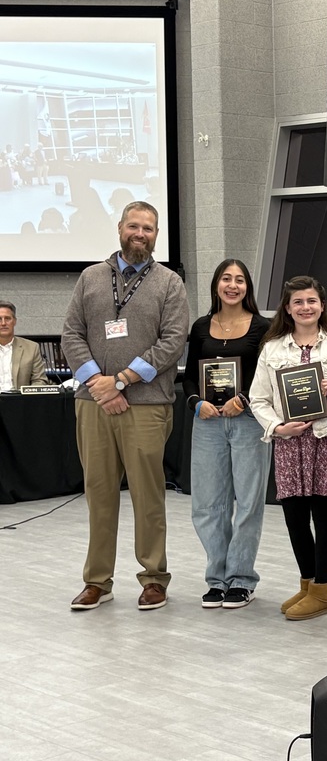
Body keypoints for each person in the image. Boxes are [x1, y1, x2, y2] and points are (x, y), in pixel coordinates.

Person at [62, 201, 188, 611]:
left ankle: (154, 578)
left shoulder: (169, 283)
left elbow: (172, 342)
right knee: (98, 493)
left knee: (147, 495)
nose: (141, 233)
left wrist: (121, 381)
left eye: (148, 228)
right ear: (119, 228)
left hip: (146, 405)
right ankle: (97, 580)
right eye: (134, 226)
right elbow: (71, 334)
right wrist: (98, 383)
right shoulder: (91, 277)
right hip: (93, 402)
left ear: (156, 235)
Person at [250, 276, 327, 620]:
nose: (306, 307)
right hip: (289, 441)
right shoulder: (273, 349)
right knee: (295, 517)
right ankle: (308, 583)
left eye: (312, 301)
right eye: (298, 302)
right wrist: (278, 427)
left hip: (326, 439)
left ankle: (323, 591)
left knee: (323, 515)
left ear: (322, 306)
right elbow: (258, 398)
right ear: (287, 308)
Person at [182, 259, 272, 609]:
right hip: (207, 422)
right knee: (207, 504)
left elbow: (267, 376)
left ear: (247, 287)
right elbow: (189, 375)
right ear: (216, 285)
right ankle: (216, 579)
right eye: (225, 279)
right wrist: (194, 402)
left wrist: (245, 399)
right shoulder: (202, 326)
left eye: (239, 280)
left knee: (248, 503)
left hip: (249, 421)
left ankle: (241, 579)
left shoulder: (263, 327)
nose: (232, 285)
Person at [0, 301, 49, 390]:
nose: (3, 323)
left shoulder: (31, 348)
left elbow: (39, 380)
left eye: (7, 318)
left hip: (20, 401)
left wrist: (26, 398)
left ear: (14, 321)